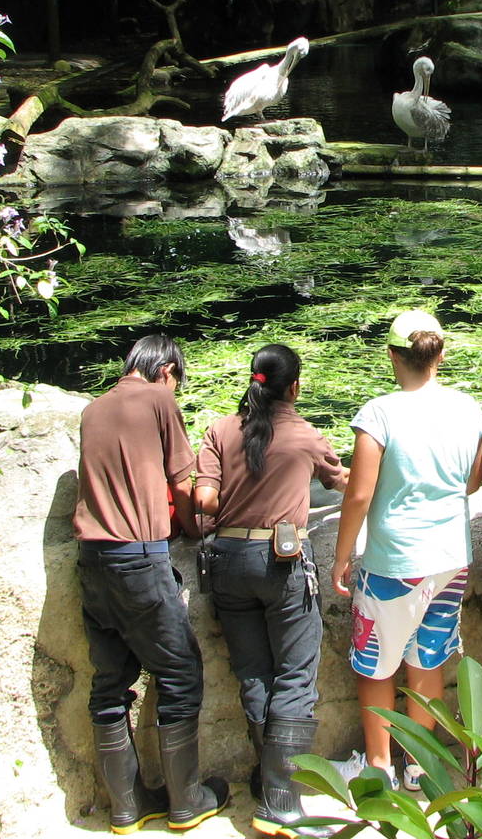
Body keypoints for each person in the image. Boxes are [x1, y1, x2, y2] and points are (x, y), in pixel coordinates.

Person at [72, 334, 229, 835]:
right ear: (166, 372)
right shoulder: (160, 399)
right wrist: (193, 526)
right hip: (138, 560)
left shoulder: (93, 409)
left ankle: (127, 807)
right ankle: (187, 800)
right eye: (178, 380)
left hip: (92, 562)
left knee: (110, 682)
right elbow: (184, 483)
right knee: (181, 672)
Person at [330, 310, 482, 789]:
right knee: (429, 658)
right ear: (440, 354)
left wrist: (341, 556)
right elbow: (473, 481)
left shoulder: (379, 413)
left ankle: (379, 767)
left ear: (392, 356)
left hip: (395, 560)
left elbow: (359, 493)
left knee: (375, 662)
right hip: (450, 557)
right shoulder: (469, 409)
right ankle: (420, 767)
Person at [195, 344, 348, 836]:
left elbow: (205, 496)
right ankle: (282, 805)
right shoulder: (305, 435)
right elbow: (343, 482)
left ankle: (267, 783)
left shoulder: (219, 430)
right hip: (282, 565)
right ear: (295, 387)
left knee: (254, 673)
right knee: (296, 677)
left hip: (226, 564)